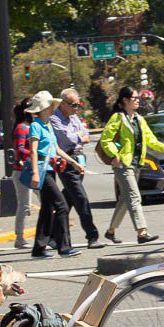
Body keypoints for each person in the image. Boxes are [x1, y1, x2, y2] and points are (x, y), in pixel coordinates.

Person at [99, 87, 164, 245]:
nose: (138, 100)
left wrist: (162, 148)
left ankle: (110, 231)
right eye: (135, 98)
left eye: (139, 98)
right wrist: (114, 154)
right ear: (125, 100)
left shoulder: (139, 119)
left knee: (125, 199)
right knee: (134, 196)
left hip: (136, 163)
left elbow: (149, 138)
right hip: (123, 164)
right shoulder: (118, 118)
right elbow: (106, 139)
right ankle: (142, 232)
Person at [24, 90, 82, 259]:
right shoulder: (35, 126)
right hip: (41, 170)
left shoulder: (47, 125)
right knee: (62, 206)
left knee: (47, 209)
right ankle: (64, 247)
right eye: (50, 106)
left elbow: (56, 149)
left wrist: (73, 162)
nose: (53, 108)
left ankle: (39, 248)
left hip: (49, 169)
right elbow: (33, 151)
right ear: (43, 108)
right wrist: (35, 173)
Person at [51, 88, 102, 248]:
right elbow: (67, 138)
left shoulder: (73, 116)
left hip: (79, 159)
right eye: (73, 105)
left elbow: (84, 132)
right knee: (81, 199)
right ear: (63, 103)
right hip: (67, 162)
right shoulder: (55, 118)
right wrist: (80, 137)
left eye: (78, 104)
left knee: (68, 200)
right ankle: (92, 236)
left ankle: (52, 235)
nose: (76, 108)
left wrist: (79, 136)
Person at [12, 97, 33, 249]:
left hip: (32, 170)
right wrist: (34, 153)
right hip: (22, 172)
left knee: (46, 202)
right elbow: (19, 149)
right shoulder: (22, 128)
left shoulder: (30, 127)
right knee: (24, 205)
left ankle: (49, 234)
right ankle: (19, 238)